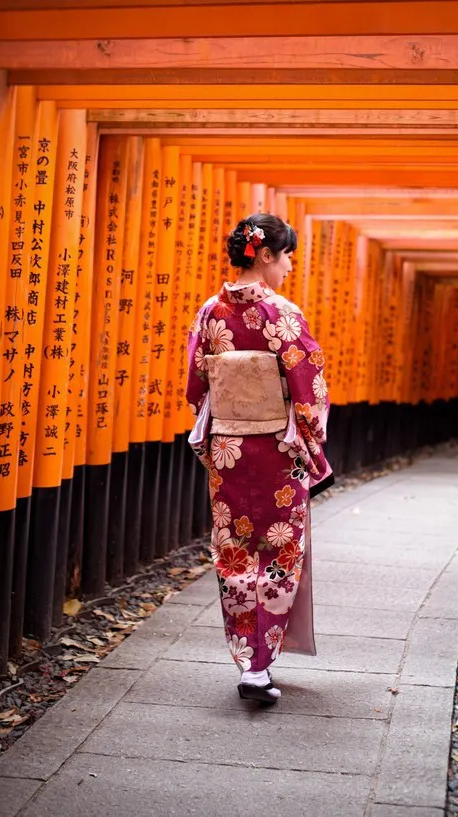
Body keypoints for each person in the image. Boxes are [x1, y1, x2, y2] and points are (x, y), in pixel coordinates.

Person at [185, 214, 331, 705]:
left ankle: (246, 657)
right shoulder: (283, 314)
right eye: (287, 255)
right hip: (275, 450)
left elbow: (195, 385)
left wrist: (221, 432)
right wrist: (312, 447)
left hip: (228, 449)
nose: (289, 266)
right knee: (278, 552)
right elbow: (308, 392)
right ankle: (259, 666)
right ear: (265, 255)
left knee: (234, 549)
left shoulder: (208, 313)